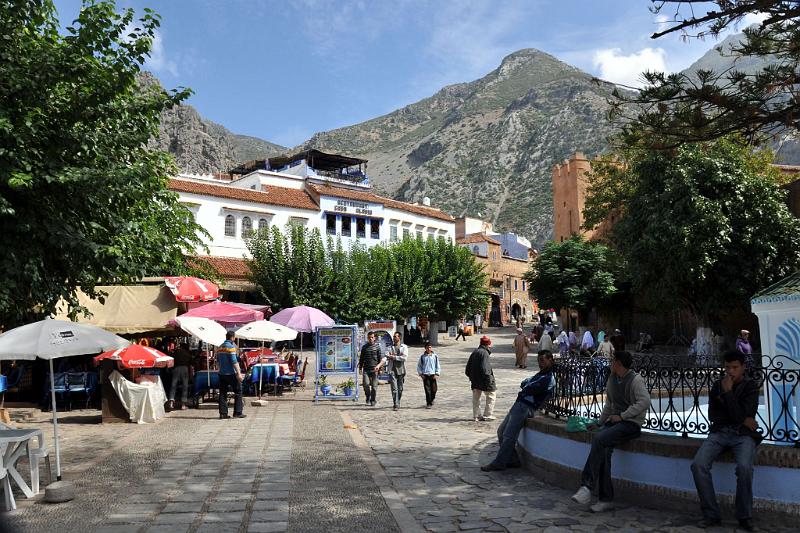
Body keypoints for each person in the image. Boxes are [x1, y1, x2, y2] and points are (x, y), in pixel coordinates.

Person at [571, 351, 650, 512]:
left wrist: (623, 416)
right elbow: (609, 404)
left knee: (600, 440)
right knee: (604, 453)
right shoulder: (612, 379)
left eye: (613, 361)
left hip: (630, 423)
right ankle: (605, 499)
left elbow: (645, 401)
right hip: (614, 421)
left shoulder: (635, 380)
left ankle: (586, 486)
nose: (610, 363)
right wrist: (599, 422)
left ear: (619, 364)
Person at [691, 350, 760, 531]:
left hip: (743, 436)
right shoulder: (717, 386)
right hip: (719, 433)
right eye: (727, 367)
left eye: (735, 367)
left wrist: (729, 395)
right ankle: (711, 514)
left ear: (743, 367)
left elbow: (747, 413)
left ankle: (744, 517)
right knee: (698, 465)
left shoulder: (751, 387)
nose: (730, 371)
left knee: (745, 468)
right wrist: (740, 417)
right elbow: (714, 416)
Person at [481, 350, 556, 471]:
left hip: (526, 406)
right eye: (539, 361)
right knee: (501, 431)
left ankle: (499, 462)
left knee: (509, 435)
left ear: (550, 360)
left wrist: (527, 385)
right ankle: (513, 459)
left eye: (543, 360)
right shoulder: (541, 374)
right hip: (519, 404)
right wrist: (527, 385)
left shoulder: (549, 378)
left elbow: (528, 387)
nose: (540, 363)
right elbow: (525, 383)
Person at [465, 336, 496, 421]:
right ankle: (487, 414)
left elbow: (467, 368)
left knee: (476, 398)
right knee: (491, 396)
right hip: (484, 380)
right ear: (487, 344)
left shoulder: (475, 352)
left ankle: (476, 416)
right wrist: (489, 380)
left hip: (475, 380)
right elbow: (485, 368)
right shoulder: (484, 353)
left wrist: (471, 377)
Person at [217, 331, 245, 420]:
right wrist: (239, 373)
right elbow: (234, 362)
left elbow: (218, 361)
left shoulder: (220, 347)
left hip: (222, 374)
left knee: (222, 393)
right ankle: (237, 412)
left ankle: (223, 413)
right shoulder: (231, 347)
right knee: (238, 391)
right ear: (232, 338)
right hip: (231, 374)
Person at [359, 331, 385, 407]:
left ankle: (373, 400)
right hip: (366, 369)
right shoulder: (364, 347)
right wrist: (360, 368)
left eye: (372, 337)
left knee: (374, 387)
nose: (371, 339)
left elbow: (380, 358)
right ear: (367, 338)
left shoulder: (377, 347)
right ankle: (368, 396)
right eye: (369, 337)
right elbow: (361, 358)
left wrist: (380, 369)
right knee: (366, 384)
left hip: (375, 369)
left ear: (375, 338)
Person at [168, 342, 193, 410]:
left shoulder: (175, 352)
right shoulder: (187, 353)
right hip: (185, 368)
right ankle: (183, 405)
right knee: (185, 386)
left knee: (173, 385)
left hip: (176, 368)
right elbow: (191, 362)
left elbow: (171, 360)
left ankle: (171, 402)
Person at [387, 332, 408, 410]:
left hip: (401, 370)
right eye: (393, 337)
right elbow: (387, 355)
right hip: (392, 369)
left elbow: (404, 358)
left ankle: (398, 401)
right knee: (394, 388)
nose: (394, 338)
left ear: (399, 338)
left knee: (400, 388)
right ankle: (396, 404)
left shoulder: (404, 347)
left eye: (395, 337)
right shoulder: (389, 347)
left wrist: (394, 357)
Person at [417, 342, 441, 408]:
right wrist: (421, 374)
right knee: (427, 390)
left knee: (434, 389)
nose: (429, 348)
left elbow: (437, 365)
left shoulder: (435, 356)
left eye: (430, 347)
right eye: (427, 347)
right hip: (425, 375)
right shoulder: (422, 357)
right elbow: (419, 366)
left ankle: (432, 399)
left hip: (433, 375)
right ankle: (428, 403)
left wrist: (437, 373)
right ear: (425, 348)